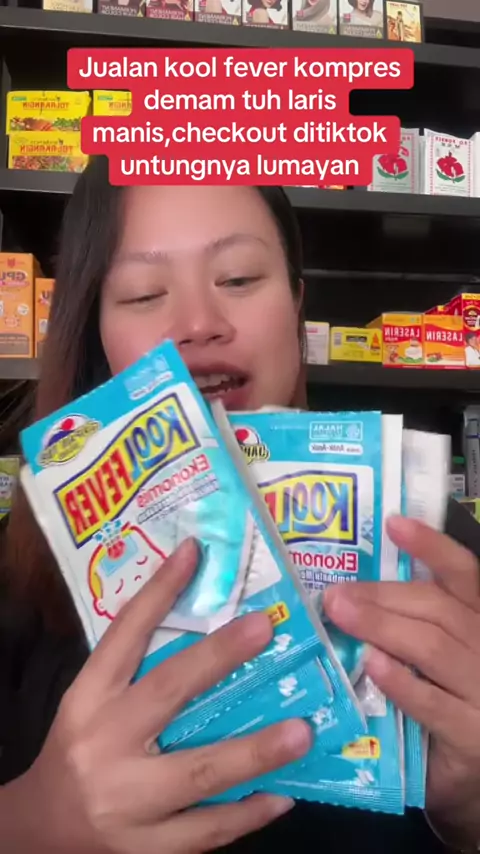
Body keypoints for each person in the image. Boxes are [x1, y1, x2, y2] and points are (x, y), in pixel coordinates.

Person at [1, 158, 480, 853]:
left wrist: (467, 807)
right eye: (142, 293)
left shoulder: (432, 542)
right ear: (95, 335)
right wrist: (33, 820)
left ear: (297, 306)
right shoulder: (15, 580)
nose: (198, 323)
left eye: (238, 279)